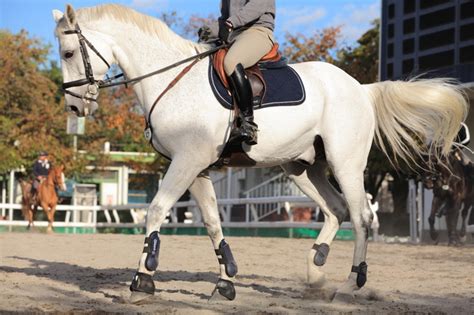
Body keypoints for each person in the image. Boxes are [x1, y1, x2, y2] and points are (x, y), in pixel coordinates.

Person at [199, 0, 276, 145]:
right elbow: (224, 21)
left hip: (257, 31)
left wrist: (232, 22)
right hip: (233, 36)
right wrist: (209, 31)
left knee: (231, 62)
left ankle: (248, 123)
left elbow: (257, 6)